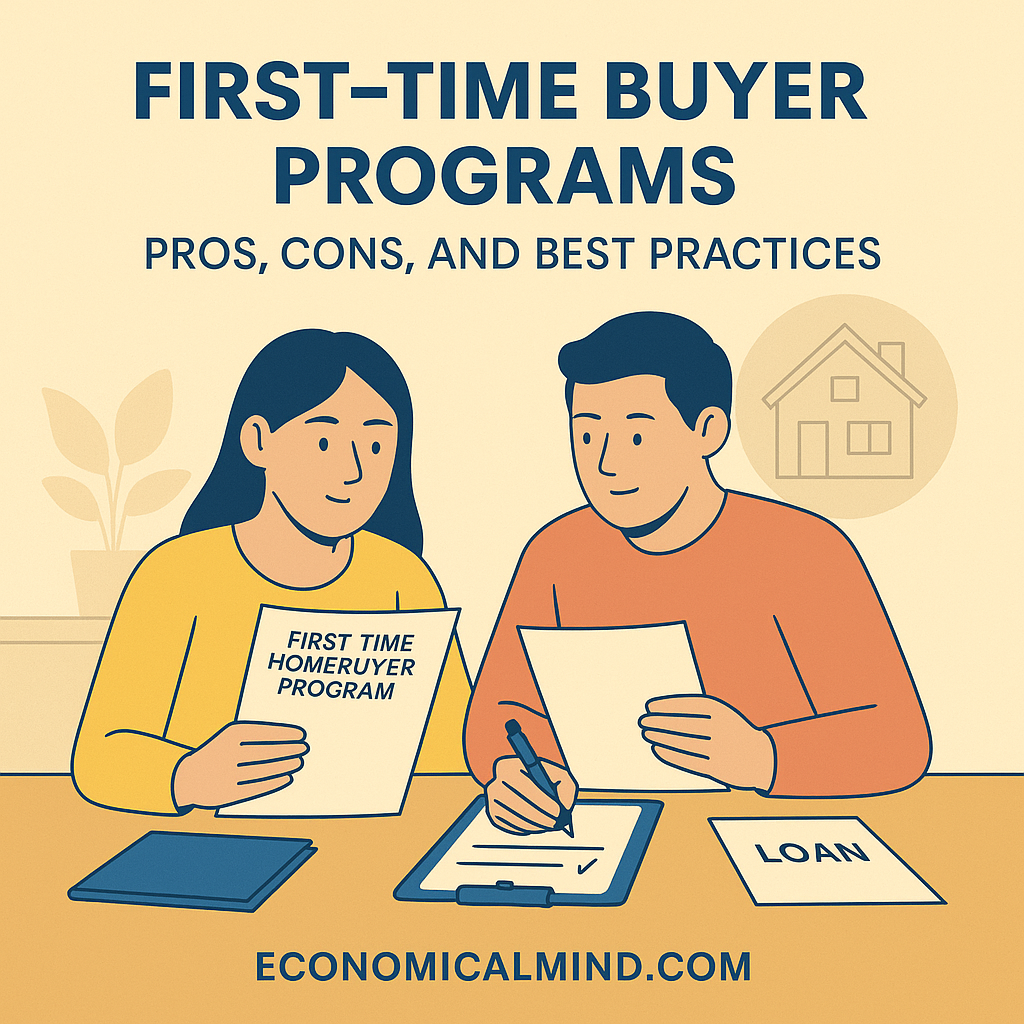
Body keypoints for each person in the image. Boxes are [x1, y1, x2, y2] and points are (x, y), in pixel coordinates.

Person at [464, 311, 931, 834]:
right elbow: (499, 712)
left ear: (708, 430)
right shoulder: (555, 553)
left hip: (774, 835)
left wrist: (764, 758)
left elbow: (898, 738)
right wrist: (516, 773)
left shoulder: (803, 550)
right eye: (588, 437)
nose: (607, 464)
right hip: (601, 837)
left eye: (637, 437)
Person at [73, 328, 470, 815]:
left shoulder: (403, 578)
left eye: (374, 446)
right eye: (324, 440)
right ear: (258, 440)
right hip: (210, 849)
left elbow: (454, 750)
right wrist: (188, 777)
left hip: (375, 849)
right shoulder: (175, 574)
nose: (353, 470)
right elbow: (99, 755)